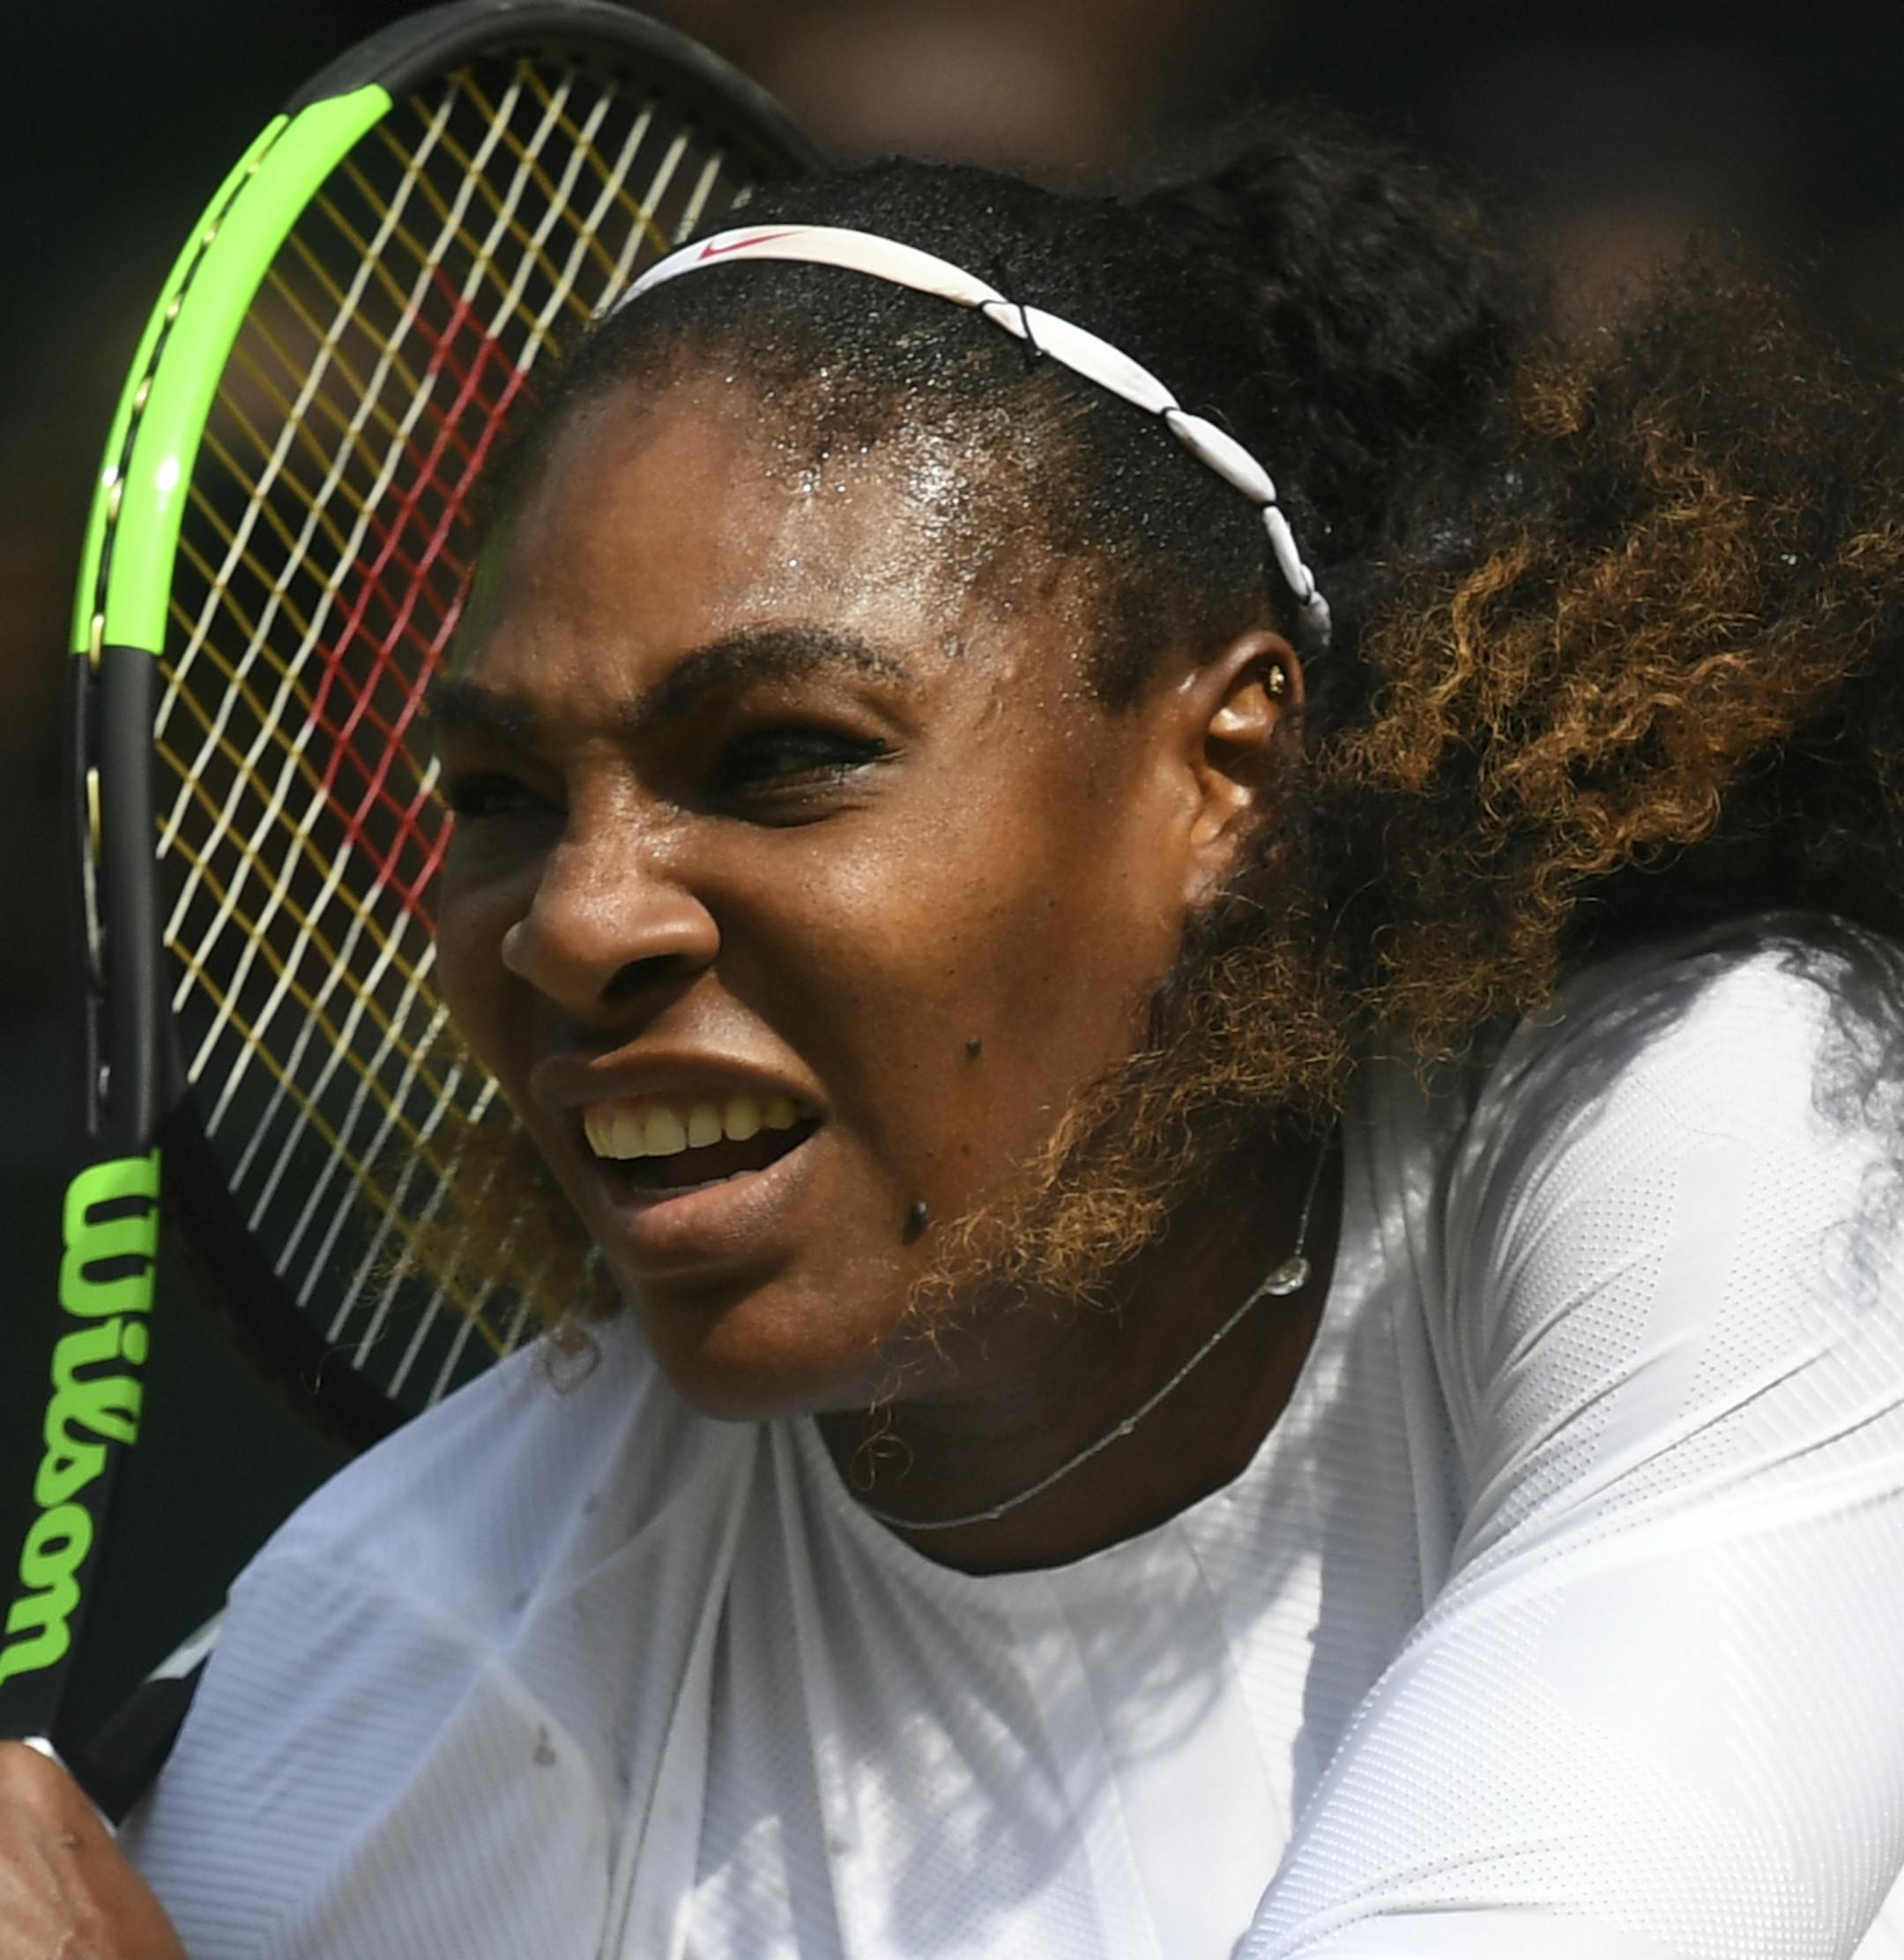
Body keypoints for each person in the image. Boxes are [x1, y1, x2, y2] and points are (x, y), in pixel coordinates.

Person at [6, 115, 1904, 1958]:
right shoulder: (405, 1640)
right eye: (500, 795)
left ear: (1222, 766)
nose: (578, 919)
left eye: (782, 756)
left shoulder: (1726, 1141)